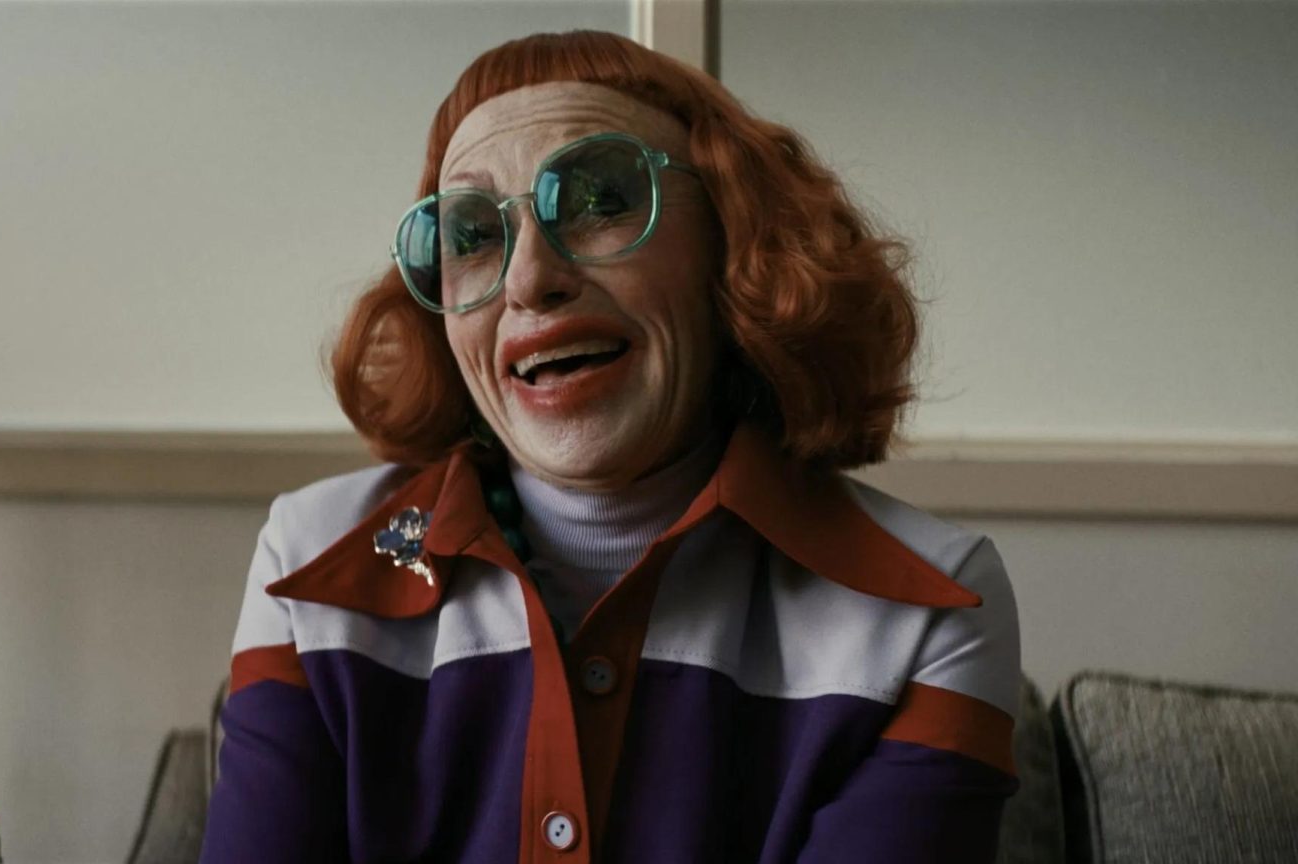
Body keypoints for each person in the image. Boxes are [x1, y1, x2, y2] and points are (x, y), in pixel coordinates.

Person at [202, 28, 1021, 864]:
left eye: (599, 200)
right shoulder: (310, 565)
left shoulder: (926, 609)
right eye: (472, 236)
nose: (529, 280)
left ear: (734, 247)